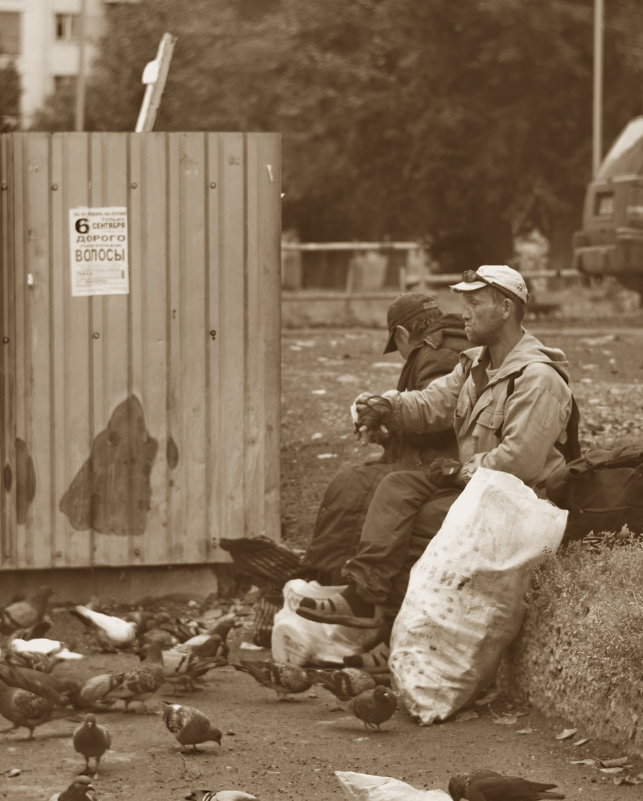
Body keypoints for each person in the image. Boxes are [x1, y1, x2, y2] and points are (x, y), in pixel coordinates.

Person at [297, 265, 576, 645]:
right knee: (396, 487)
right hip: (480, 488)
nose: (464, 313)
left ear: (506, 308)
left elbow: (519, 463)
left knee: (426, 519)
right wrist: (386, 406)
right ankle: (363, 596)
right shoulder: (477, 365)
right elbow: (431, 403)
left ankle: (396, 630)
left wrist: (461, 472)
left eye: (474, 303)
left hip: (522, 502)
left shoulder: (537, 378)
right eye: (465, 303)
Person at [298, 293, 469, 586]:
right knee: (358, 479)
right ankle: (325, 570)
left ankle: (329, 576)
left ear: (402, 333)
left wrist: (390, 416)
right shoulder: (451, 344)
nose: (401, 353)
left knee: (353, 486)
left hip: (442, 465)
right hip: (442, 458)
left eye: (397, 345)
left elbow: (441, 420)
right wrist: (387, 435)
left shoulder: (437, 353)